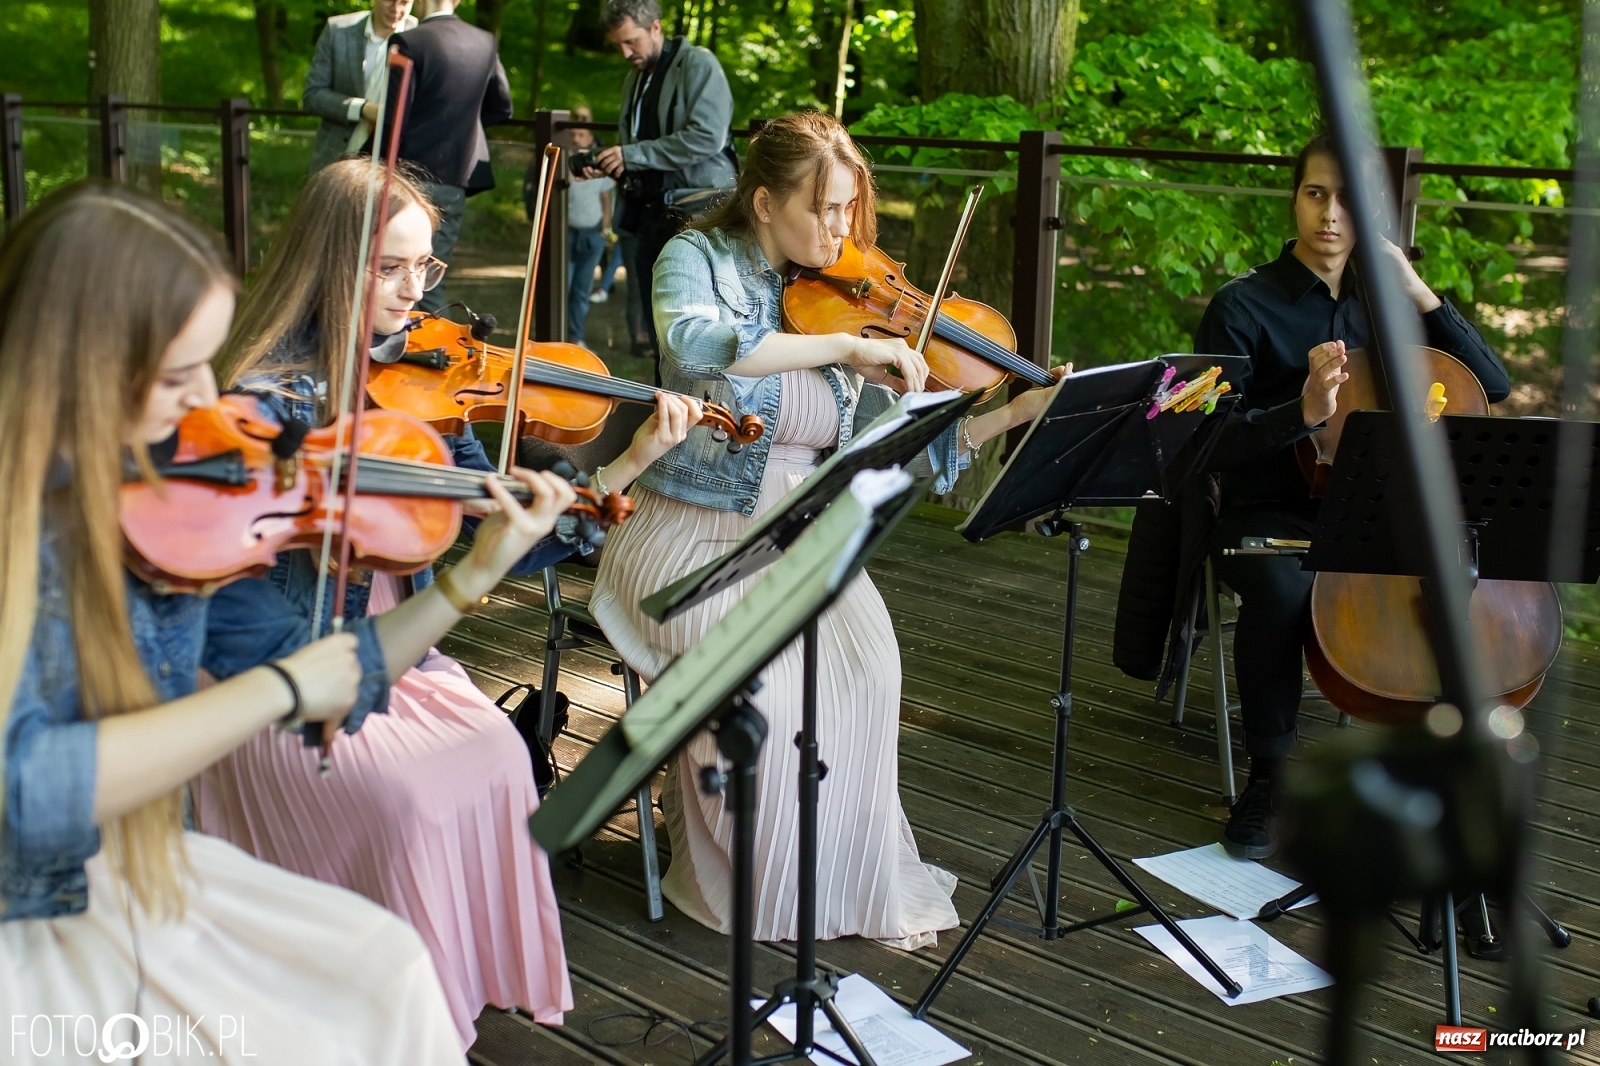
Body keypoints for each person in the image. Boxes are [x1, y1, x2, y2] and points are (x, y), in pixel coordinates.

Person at [0, 181, 550, 1062]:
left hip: (144, 865)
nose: (205, 404)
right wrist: (280, 687)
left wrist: (466, 581)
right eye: (178, 376)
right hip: (37, 917)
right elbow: (23, 793)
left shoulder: (167, 511)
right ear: (81, 364)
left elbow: (325, 675)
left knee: (386, 968)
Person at [199, 158, 696, 1049]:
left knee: (500, 761)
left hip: (407, 657)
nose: (412, 292)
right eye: (388, 268)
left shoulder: (426, 385)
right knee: (413, 800)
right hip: (297, 674)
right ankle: (377, 1008)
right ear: (329, 263)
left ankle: (437, 994)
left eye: (424, 268)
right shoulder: (267, 400)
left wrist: (622, 470)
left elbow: (493, 534)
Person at [589, 111, 1068, 947]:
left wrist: (1017, 408)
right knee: (764, 685)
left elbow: (910, 448)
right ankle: (756, 884)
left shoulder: (841, 297)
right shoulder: (695, 260)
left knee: (870, 672)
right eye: (825, 209)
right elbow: (699, 348)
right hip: (690, 530)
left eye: (851, 210)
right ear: (766, 201)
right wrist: (843, 348)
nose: (843, 230)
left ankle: (833, 879)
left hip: (802, 534)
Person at [1193, 133, 1510, 859]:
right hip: (1267, 511)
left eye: (1349, 200)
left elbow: (1489, 385)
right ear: (1294, 200)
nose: (1330, 215)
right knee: (1278, 589)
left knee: (1454, 574)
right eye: (1315, 194)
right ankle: (1269, 779)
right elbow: (1209, 442)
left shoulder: (1393, 308)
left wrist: (1421, 295)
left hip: (1375, 511)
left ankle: (1429, 764)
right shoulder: (1243, 306)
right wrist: (1300, 410)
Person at [588, 0, 737, 366]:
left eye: (631, 41)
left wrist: (633, 155)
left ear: (655, 27)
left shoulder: (699, 64)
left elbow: (707, 137)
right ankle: (666, 411)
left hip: (698, 213)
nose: (626, 52)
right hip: (649, 215)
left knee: (695, 330)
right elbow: (638, 148)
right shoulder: (634, 77)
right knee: (659, 333)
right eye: (618, 45)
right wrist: (613, 163)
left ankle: (701, 416)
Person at [381, 0, 513, 314]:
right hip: (454, 176)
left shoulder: (408, 42)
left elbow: (394, 119)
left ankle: (424, 354)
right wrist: (460, 126)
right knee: (430, 277)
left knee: (397, 273)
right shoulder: (485, 41)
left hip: (406, 178)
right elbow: (503, 108)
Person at [303, 0, 418, 173]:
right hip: (336, 163)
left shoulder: (423, 37)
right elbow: (312, 95)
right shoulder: (338, 30)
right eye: (389, 0)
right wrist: (363, 109)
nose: (395, 8)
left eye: (404, 2)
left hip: (395, 170)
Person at [549, 105, 615, 347]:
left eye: (581, 134)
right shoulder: (561, 160)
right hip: (564, 232)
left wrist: (605, 228)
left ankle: (575, 337)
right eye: (573, 134)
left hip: (592, 234)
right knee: (560, 286)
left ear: (590, 136)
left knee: (580, 290)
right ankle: (555, 337)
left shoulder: (600, 162)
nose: (576, 139)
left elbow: (606, 198)